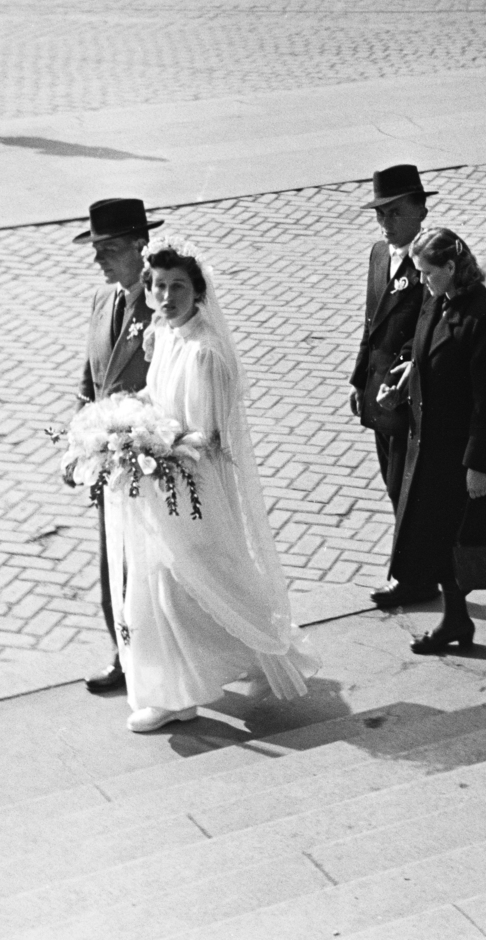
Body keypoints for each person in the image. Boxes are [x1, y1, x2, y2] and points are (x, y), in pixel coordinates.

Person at [106, 232, 318, 732]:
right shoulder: (164, 337)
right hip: (163, 485)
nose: (165, 296)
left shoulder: (206, 354)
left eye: (177, 285)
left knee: (193, 583)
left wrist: (151, 445)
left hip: (193, 491)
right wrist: (123, 422)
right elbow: (158, 400)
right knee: (168, 587)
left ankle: (182, 692)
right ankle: (181, 686)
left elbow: (207, 439)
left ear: (198, 291)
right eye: (157, 285)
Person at [377, 228, 486, 652]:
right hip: (434, 448)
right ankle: (458, 622)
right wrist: (404, 383)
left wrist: (479, 465)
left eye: (429, 273)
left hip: (467, 454)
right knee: (440, 539)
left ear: (451, 267)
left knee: (475, 541)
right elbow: (424, 354)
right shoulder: (437, 301)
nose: (423, 281)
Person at [71, 198, 158, 694]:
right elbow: (91, 379)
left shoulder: (164, 301)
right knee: (112, 561)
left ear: (139, 248)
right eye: (96, 248)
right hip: (107, 459)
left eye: (108, 249)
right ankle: (123, 652)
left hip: (147, 457)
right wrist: (78, 441)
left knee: (148, 565)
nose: (99, 260)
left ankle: (160, 656)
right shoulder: (103, 301)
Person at [349, 165, 434, 609]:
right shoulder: (379, 256)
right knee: (392, 482)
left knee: (409, 487)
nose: (386, 223)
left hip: (411, 394)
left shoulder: (432, 261)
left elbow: (431, 332)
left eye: (396, 212)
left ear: (421, 209)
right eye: (380, 213)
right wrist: (359, 378)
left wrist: (407, 373)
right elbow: (372, 324)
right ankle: (427, 569)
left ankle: (410, 577)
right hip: (379, 392)